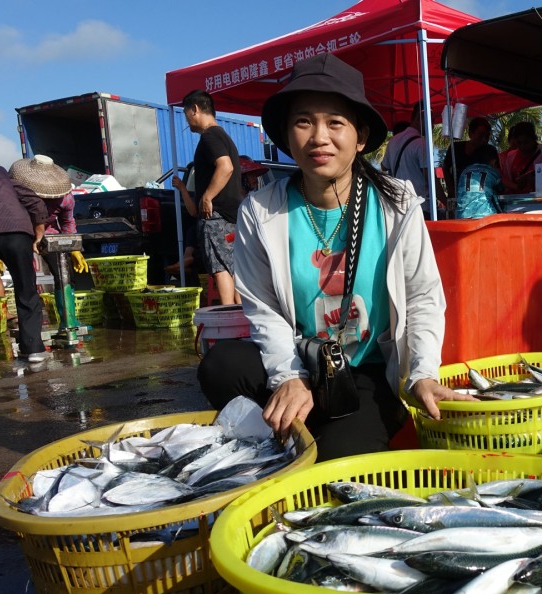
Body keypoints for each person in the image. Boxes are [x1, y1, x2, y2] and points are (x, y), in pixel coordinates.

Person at [196, 53, 474, 461]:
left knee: (334, 463)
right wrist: (289, 377)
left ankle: (317, 429)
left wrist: (422, 376)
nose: (319, 137)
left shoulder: (396, 204)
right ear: (288, 136)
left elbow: (422, 298)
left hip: (365, 369)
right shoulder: (261, 210)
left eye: (335, 123)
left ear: (360, 137)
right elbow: (264, 309)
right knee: (220, 366)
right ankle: (288, 423)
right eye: (303, 121)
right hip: (300, 357)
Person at [0, 155, 50, 362]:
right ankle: (34, 349)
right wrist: (39, 232)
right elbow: (32, 200)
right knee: (27, 290)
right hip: (17, 232)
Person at [8, 155, 90, 323]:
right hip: (22, 231)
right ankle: (30, 322)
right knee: (25, 276)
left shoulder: (65, 197)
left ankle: (69, 319)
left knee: (65, 274)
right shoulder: (18, 192)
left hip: (50, 234)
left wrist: (74, 248)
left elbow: (67, 221)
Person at [182, 89, 243, 305]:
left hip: (216, 216)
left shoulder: (210, 136)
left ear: (195, 109)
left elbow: (225, 167)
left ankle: (229, 319)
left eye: (186, 113)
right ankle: (240, 320)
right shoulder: (222, 135)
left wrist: (207, 196)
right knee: (231, 267)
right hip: (230, 216)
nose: (187, 120)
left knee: (220, 269)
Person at [381, 102, 440, 216]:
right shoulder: (421, 144)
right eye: (431, 120)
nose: (432, 126)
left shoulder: (392, 141)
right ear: (421, 117)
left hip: (398, 206)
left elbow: (384, 166)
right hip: (419, 206)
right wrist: (445, 200)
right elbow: (431, 179)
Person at [442, 117, 497, 200]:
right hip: (458, 197)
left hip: (480, 200)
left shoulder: (490, 151)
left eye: (487, 136)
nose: (484, 139)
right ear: (470, 134)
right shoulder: (455, 148)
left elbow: (496, 173)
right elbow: (445, 169)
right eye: (481, 135)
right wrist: (452, 191)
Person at [455, 146, 504, 219]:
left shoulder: (464, 172)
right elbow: (502, 187)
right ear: (494, 162)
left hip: (462, 216)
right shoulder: (492, 172)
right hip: (485, 216)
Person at [499, 121, 541, 195]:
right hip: (518, 200)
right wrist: (516, 186)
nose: (522, 146)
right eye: (519, 143)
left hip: (540, 200)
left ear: (534, 139)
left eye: (526, 142)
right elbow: (507, 179)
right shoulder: (511, 156)